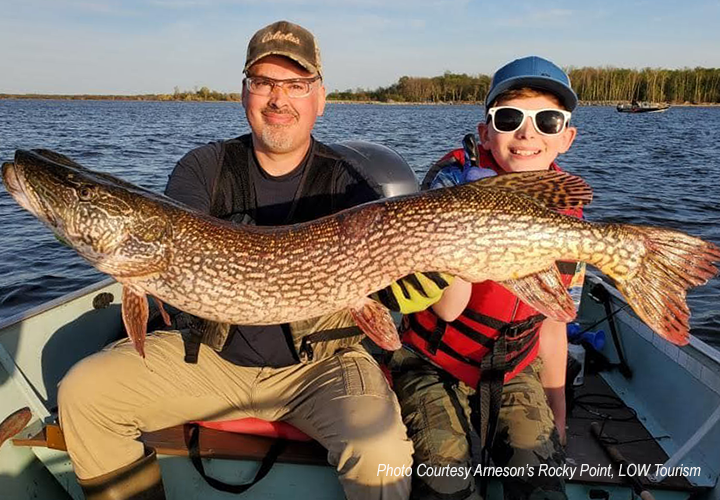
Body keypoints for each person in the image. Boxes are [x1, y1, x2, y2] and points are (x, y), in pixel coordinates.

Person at [58, 20, 446, 500]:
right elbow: (167, 250)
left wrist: (408, 287)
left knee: (380, 450)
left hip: (321, 366)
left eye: (295, 85)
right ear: (244, 94)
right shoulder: (204, 168)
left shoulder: (350, 183)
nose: (278, 99)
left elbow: (386, 285)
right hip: (211, 356)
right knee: (84, 394)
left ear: (319, 98)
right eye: (263, 83)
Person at [390, 56, 584, 500]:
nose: (527, 133)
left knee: (540, 483)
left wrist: (559, 412)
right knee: (445, 481)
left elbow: (553, 321)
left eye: (547, 120)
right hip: (435, 363)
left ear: (566, 137)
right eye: (510, 117)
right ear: (485, 132)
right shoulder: (450, 185)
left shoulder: (567, 212)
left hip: (515, 366)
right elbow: (449, 307)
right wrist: (464, 222)